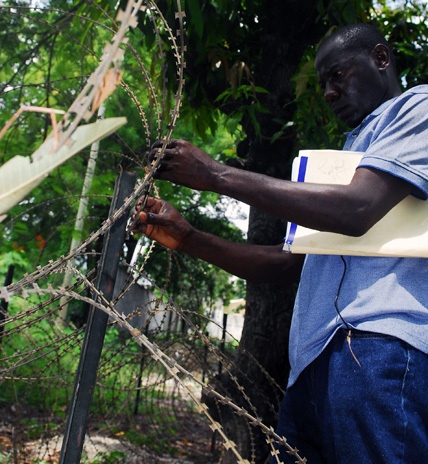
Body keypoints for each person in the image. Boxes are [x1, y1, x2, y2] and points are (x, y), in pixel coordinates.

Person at [131, 23, 428, 463]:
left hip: (377, 351)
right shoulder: (350, 154)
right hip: (313, 364)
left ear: (381, 59)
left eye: (337, 76)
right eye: (323, 82)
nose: (327, 93)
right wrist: (189, 237)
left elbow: (357, 209)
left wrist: (217, 175)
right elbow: (287, 264)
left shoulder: (417, 109)